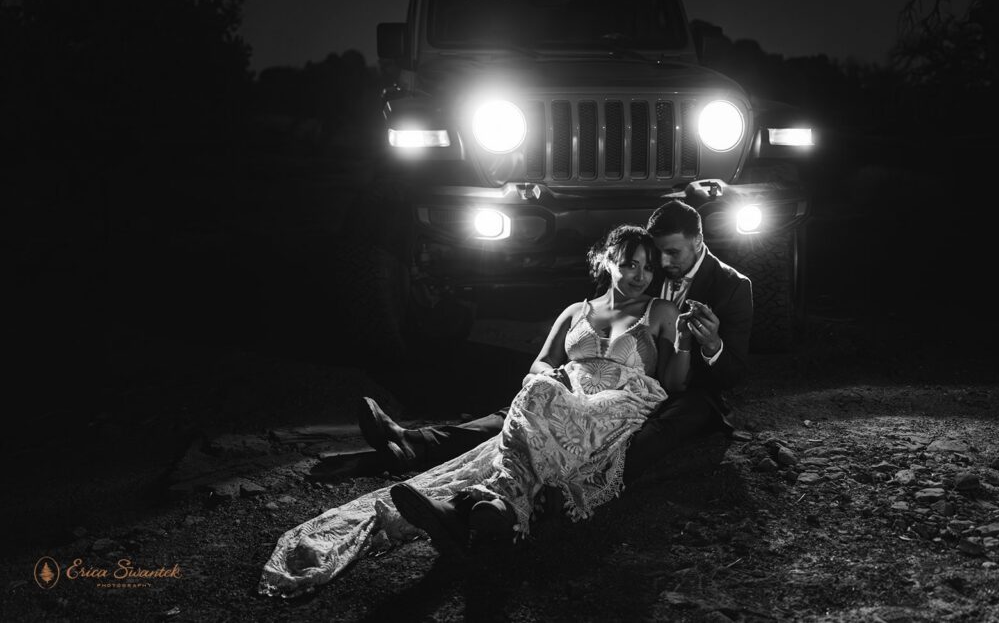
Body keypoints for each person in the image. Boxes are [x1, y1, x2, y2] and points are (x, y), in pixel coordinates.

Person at [259, 225, 692, 598]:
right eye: (631, 263)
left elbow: (674, 383)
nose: (640, 275)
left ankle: (480, 504)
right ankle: (491, 507)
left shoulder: (661, 312)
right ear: (607, 261)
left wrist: (690, 344)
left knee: (534, 422)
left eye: (649, 267)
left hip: (619, 399)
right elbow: (539, 363)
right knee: (537, 391)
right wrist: (555, 376)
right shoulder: (577, 311)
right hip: (565, 394)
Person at [357, 199, 752, 483]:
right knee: (532, 405)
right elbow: (605, 314)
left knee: (669, 420)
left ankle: (595, 477)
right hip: (607, 378)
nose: (659, 265)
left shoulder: (732, 287)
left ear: (699, 242)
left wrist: (712, 344)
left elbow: (732, 372)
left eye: (671, 253)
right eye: (649, 258)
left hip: (682, 389)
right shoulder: (643, 269)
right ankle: (418, 443)